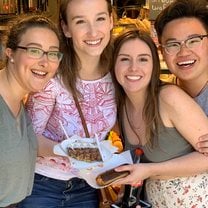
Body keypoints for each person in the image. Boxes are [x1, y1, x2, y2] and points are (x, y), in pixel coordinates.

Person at [17, 0, 116, 208]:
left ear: (111, 21)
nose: (92, 31)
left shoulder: (120, 74)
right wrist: (78, 152)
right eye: (80, 22)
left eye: (100, 19)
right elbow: (30, 139)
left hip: (88, 187)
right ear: (66, 28)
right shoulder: (52, 76)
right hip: (43, 185)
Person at [110, 29, 208, 207]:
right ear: (113, 65)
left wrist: (149, 170)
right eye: (124, 59)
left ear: (154, 65)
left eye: (143, 59)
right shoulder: (121, 109)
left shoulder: (169, 98)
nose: (133, 68)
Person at [0, 15, 62, 207]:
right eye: (34, 51)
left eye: (52, 53)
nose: (45, 62)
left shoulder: (20, 101)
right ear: (10, 53)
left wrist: (84, 153)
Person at [154, 0, 208, 154]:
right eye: (173, 44)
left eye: (193, 41)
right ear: (162, 52)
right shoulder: (163, 96)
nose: (184, 52)